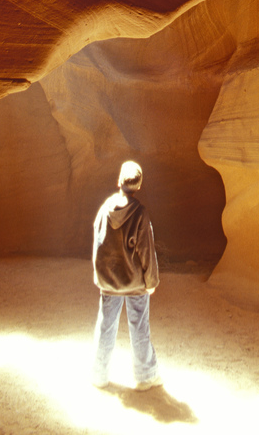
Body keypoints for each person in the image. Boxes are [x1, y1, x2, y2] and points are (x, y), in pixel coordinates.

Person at [91, 160, 162, 390]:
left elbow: (98, 245)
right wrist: (151, 282)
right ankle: (145, 377)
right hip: (134, 283)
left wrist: (100, 277)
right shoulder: (139, 213)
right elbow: (146, 251)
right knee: (139, 327)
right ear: (138, 185)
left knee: (105, 326)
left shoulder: (105, 209)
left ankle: (99, 375)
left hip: (109, 282)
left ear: (119, 182)